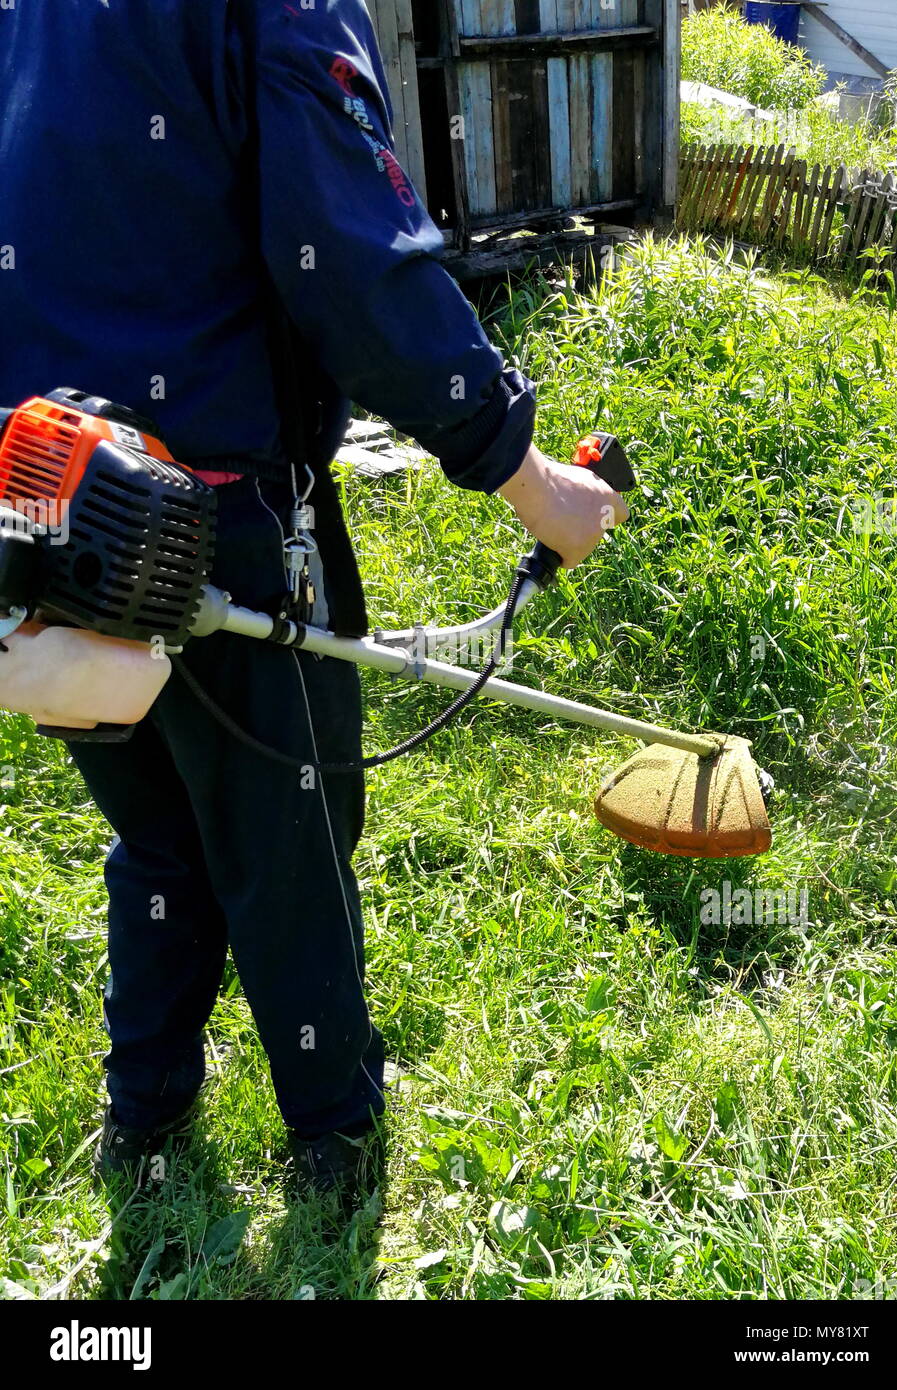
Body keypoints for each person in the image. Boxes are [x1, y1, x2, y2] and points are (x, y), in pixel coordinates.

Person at [0, 0, 627, 1195]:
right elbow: (349, 251)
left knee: (157, 830)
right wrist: (527, 473)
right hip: (210, 507)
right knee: (286, 842)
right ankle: (334, 1138)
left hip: (45, 490)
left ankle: (144, 1119)